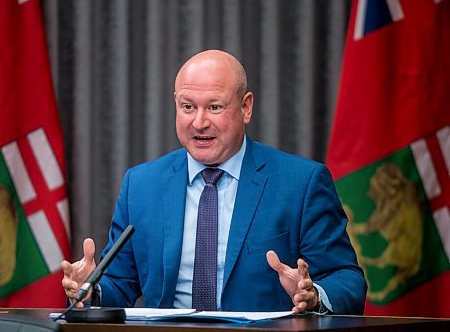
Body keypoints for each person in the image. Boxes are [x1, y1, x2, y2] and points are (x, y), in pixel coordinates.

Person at [61, 49, 367, 314]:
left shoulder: (301, 183)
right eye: (188, 106)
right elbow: (120, 284)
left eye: (215, 107)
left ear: (246, 107)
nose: (199, 122)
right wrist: (91, 289)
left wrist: (313, 297)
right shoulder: (141, 185)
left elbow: (347, 279)